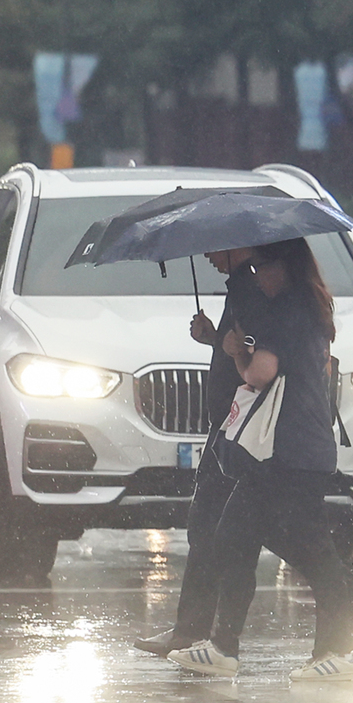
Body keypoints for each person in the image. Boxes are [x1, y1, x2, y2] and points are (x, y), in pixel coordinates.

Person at [169, 239, 353, 682]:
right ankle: (227, 647)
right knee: (242, 535)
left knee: (306, 548)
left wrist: (236, 351)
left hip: (287, 448)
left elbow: (260, 373)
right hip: (298, 447)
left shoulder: (288, 307)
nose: (258, 275)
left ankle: (334, 649)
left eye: (263, 266)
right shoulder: (309, 304)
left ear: (284, 266)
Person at [133, 249, 263, 656]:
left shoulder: (252, 289)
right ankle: (192, 632)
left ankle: (208, 637)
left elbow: (259, 354)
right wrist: (213, 339)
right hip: (227, 427)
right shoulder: (240, 288)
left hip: (238, 429)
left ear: (237, 245)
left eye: (214, 247)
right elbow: (235, 349)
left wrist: (234, 347)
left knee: (219, 528)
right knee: (209, 527)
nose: (206, 254)